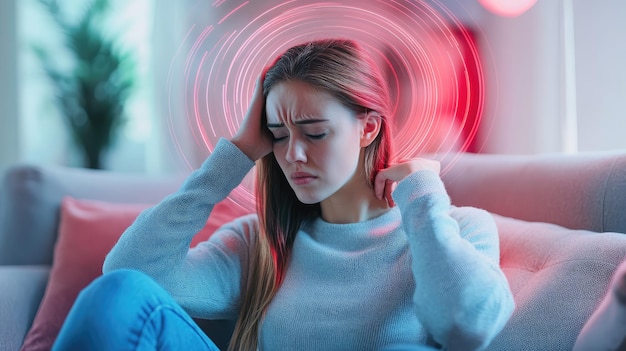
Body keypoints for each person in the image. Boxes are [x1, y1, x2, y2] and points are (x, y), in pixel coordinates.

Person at [52, 38, 514, 351]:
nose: (291, 154)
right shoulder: (259, 243)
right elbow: (131, 273)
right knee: (120, 291)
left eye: (314, 132)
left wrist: (424, 194)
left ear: (368, 128)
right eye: (277, 134)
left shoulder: (453, 229)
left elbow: (465, 324)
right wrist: (234, 157)